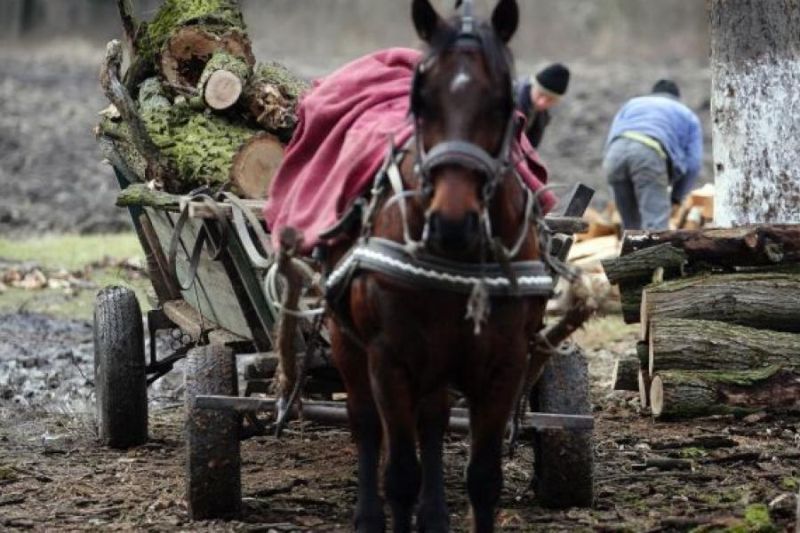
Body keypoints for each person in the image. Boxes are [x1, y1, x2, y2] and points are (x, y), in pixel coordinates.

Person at [602, 79, 703, 230]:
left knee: (631, 229)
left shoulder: (632, 104)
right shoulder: (686, 114)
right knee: (656, 227)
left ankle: (631, 252)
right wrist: (676, 197)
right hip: (648, 153)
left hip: (614, 154)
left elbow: (612, 135)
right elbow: (693, 164)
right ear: (677, 97)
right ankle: (656, 253)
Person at [515, 63, 570, 148]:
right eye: (540, 94)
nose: (542, 102)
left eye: (550, 100)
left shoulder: (543, 114)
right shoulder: (510, 101)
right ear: (533, 85)